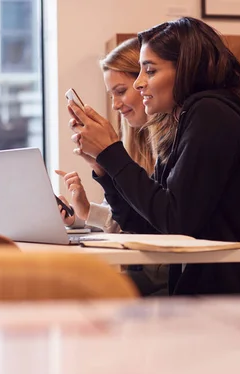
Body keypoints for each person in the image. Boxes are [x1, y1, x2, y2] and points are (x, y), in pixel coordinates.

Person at [66, 17, 240, 295]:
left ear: (186, 70)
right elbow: (148, 226)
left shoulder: (211, 114)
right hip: (229, 291)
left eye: (150, 71)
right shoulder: (180, 124)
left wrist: (113, 153)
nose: (139, 83)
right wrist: (103, 168)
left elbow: (176, 221)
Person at [56, 38, 168, 296]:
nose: (116, 105)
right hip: (151, 268)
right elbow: (131, 219)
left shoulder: (170, 144)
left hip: (164, 272)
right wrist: (83, 212)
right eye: (111, 95)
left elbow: (153, 223)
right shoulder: (134, 140)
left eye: (120, 91)